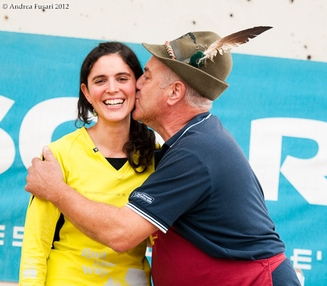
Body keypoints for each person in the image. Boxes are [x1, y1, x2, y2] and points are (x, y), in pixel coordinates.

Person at [25, 28, 301, 285]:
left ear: (174, 93)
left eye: (146, 76)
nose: (137, 86)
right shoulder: (189, 144)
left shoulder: (195, 153)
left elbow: (121, 234)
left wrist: (56, 190)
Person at [20, 42, 156, 286]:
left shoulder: (157, 157)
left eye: (122, 78)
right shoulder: (58, 154)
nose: (112, 89)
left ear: (137, 84)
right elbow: (35, 246)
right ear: (86, 91)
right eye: (100, 80)